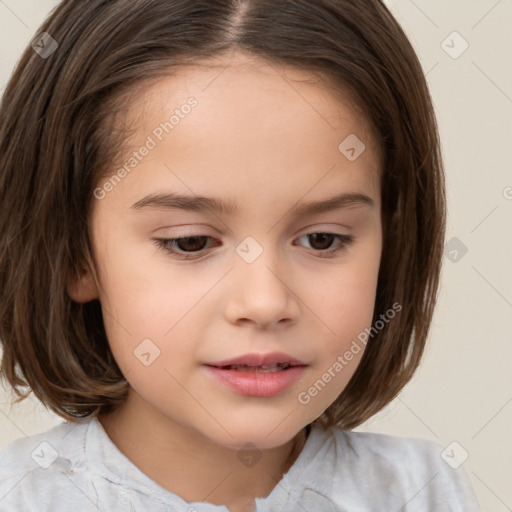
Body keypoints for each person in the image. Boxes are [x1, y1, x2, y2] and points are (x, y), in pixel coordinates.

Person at [0, 1, 481, 511]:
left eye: (322, 239)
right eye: (190, 241)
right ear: (75, 253)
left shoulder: (422, 491)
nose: (265, 301)